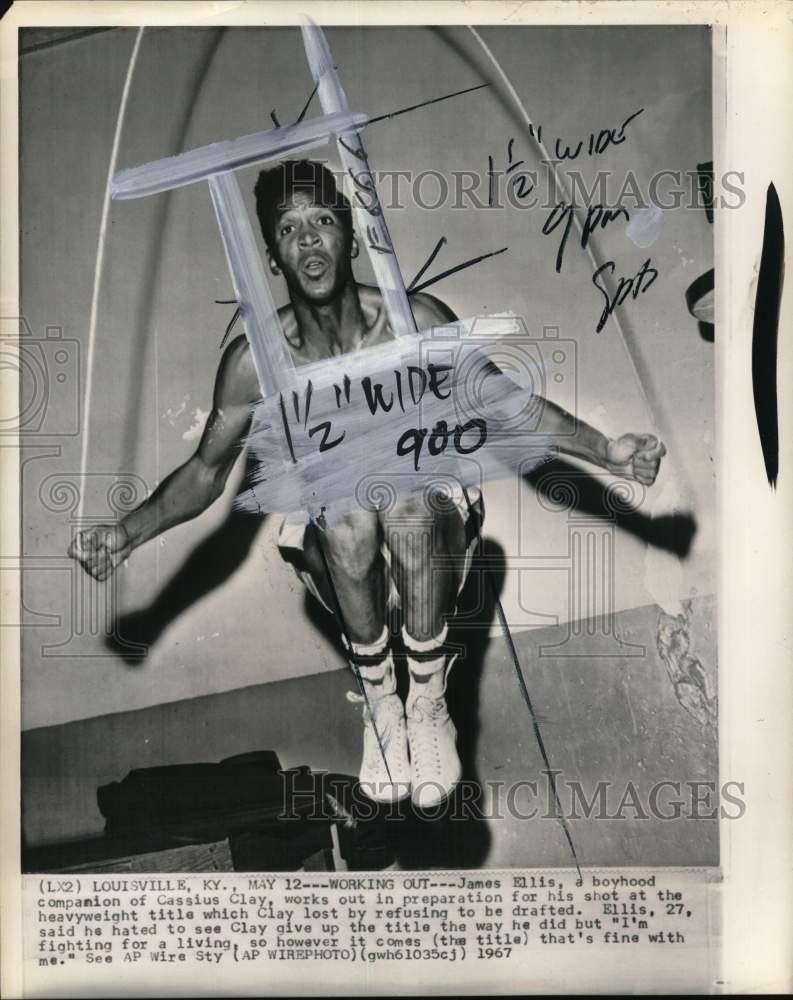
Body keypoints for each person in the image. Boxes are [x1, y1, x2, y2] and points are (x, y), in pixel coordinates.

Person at [69, 160, 666, 809]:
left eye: (322, 220)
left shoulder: (415, 322)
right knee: (347, 504)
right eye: (288, 228)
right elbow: (206, 472)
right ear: (272, 255)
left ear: (349, 239)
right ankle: (383, 703)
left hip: (429, 526)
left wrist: (607, 450)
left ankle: (426, 698)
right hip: (334, 546)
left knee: (400, 495)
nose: (307, 240)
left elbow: (503, 404)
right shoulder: (256, 362)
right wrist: (124, 533)